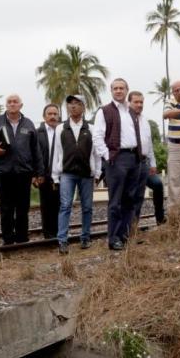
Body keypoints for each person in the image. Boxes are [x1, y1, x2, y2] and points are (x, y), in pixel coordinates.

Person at [0, 94, 44, 245]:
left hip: (24, 173)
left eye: (15, 102)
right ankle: (8, 240)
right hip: (4, 173)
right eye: (9, 102)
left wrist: (38, 172)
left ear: (21, 105)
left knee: (23, 208)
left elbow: (36, 150)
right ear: (6, 105)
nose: (12, 104)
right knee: (6, 208)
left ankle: (22, 238)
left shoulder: (28, 124)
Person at [94, 78, 144, 251]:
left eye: (122, 88)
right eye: (115, 88)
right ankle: (113, 238)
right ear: (111, 91)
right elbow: (97, 137)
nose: (118, 91)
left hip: (133, 158)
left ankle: (124, 236)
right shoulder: (104, 111)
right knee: (115, 201)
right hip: (116, 159)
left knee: (130, 200)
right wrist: (108, 157)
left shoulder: (131, 111)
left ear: (126, 90)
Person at [51, 95, 101, 254]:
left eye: (77, 104)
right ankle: (62, 241)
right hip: (67, 173)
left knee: (87, 207)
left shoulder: (91, 129)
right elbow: (57, 153)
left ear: (84, 107)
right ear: (67, 108)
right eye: (70, 104)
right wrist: (54, 175)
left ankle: (85, 238)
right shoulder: (60, 128)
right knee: (65, 206)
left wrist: (98, 172)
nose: (73, 107)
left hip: (87, 174)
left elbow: (96, 154)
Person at [129, 91, 165, 225]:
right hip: (131, 162)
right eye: (136, 102)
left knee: (157, 184)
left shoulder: (145, 121)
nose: (139, 105)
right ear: (129, 103)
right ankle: (132, 226)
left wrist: (153, 163)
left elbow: (149, 144)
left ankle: (160, 219)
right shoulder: (126, 119)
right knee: (136, 194)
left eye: (141, 102)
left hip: (144, 162)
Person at [36, 104, 61, 239]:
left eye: (55, 114)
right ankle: (48, 235)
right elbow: (34, 154)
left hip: (61, 175)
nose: (52, 116)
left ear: (58, 116)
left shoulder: (63, 130)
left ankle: (60, 233)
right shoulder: (37, 132)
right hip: (44, 175)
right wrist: (36, 174)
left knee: (60, 205)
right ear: (44, 116)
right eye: (49, 114)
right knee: (46, 205)